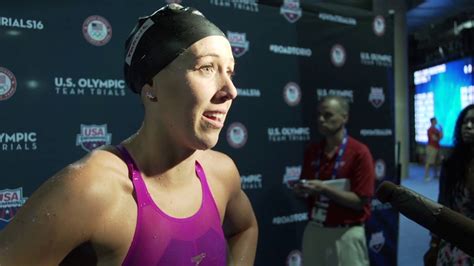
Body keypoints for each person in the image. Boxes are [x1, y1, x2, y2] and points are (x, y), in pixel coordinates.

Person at [0, 4, 258, 265]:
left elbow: (246, 228)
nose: (231, 90)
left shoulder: (222, 173)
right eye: (207, 68)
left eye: (230, 71)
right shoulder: (93, 188)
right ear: (151, 87)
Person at [293, 96, 375, 266]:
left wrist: (324, 189)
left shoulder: (359, 152)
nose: (321, 119)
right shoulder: (313, 150)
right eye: (319, 115)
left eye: (328, 115)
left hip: (346, 233)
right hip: (315, 229)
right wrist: (302, 190)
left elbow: (362, 201)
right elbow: (306, 189)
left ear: (344, 117)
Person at [423, 104, 474, 266]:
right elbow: (442, 205)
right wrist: (434, 244)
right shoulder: (451, 164)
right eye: (465, 121)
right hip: (454, 242)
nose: (468, 126)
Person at [424, 117, 443, 181]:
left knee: (437, 162)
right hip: (431, 147)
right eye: (435, 120)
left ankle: (436, 174)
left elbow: (441, 137)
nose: (436, 121)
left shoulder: (436, 129)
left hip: (437, 147)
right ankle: (426, 176)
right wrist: (438, 137)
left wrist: (441, 130)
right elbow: (434, 138)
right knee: (429, 162)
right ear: (432, 122)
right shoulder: (430, 130)